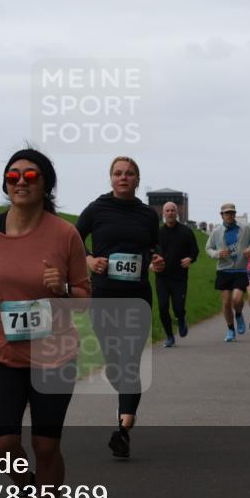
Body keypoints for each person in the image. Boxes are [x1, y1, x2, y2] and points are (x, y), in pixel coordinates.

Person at [0, 148, 91, 498]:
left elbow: (84, 299)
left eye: (31, 175)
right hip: (0, 354)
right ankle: (24, 488)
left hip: (54, 357)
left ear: (46, 184)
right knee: (2, 447)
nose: (21, 181)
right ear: (5, 183)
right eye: (13, 175)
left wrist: (63, 289)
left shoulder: (64, 234)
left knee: (46, 445)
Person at [76, 156, 165, 459]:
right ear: (111, 178)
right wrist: (89, 259)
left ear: (138, 180)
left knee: (129, 361)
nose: (123, 178)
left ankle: (123, 429)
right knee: (114, 362)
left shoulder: (147, 215)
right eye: (118, 173)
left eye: (129, 174)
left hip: (137, 296)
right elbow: (74, 240)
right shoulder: (97, 209)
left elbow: (154, 246)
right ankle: (124, 403)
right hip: (104, 294)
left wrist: (156, 258)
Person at [205, 203, 250, 342]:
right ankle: (231, 329)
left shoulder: (244, 228)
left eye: (232, 213)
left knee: (237, 299)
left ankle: (238, 314)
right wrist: (217, 253)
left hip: (240, 268)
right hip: (224, 270)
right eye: (227, 213)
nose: (230, 215)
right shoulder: (216, 231)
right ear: (222, 215)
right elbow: (208, 248)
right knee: (226, 303)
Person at [154, 201, 199, 348]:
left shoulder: (186, 231)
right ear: (163, 213)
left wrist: (190, 258)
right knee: (162, 307)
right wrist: (152, 262)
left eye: (173, 210)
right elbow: (151, 252)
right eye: (167, 211)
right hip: (162, 277)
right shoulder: (158, 233)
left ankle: (181, 319)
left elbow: (195, 251)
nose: (170, 213)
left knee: (178, 307)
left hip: (179, 277)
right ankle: (169, 336)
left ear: (177, 213)